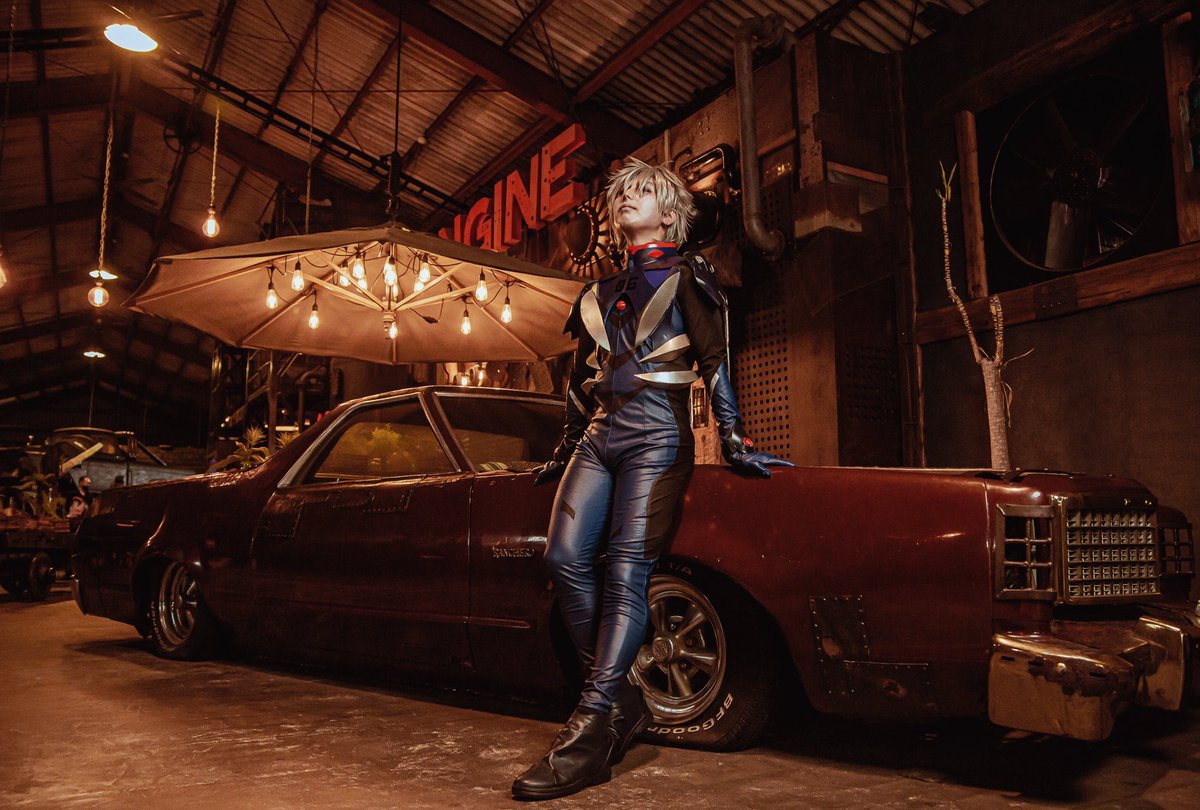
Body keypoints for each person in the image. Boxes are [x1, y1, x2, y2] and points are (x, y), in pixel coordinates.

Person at [512, 157, 792, 801]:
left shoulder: (691, 276)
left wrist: (735, 438)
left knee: (626, 571)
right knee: (564, 558)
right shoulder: (598, 292)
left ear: (670, 214)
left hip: (657, 436)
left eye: (641, 192)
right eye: (621, 194)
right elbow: (580, 382)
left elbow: (715, 364)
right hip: (599, 435)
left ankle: (590, 728)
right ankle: (621, 698)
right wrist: (563, 445)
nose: (626, 200)